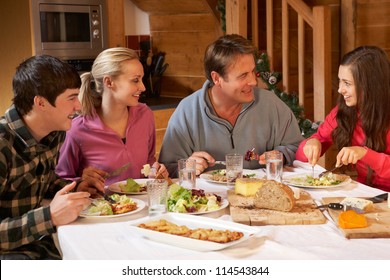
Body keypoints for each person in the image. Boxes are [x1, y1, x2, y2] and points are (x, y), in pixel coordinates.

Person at [158, 34, 304, 176]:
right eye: (243, 75)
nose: (253, 81)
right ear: (217, 78)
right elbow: (166, 169)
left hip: (261, 196)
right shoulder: (187, 111)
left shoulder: (271, 104)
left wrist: (282, 155)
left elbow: (297, 147)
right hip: (207, 198)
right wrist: (187, 166)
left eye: (253, 71)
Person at [0, 55, 98, 259]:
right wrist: (49, 215)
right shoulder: (3, 145)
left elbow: (41, 178)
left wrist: (76, 187)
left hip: (38, 246)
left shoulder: (55, 132)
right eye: (71, 98)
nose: (79, 106)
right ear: (41, 103)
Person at [56, 47, 168, 186]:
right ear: (109, 82)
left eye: (141, 79)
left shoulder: (145, 115)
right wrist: (81, 183)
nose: (143, 87)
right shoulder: (77, 130)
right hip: (101, 207)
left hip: (144, 205)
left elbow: (149, 161)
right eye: (135, 80)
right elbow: (61, 182)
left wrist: (155, 171)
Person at [296, 46, 390, 192]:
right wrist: (312, 143)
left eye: (347, 83)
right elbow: (304, 152)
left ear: (370, 86)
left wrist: (364, 153)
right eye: (340, 81)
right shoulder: (344, 112)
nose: (340, 89)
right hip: (367, 194)